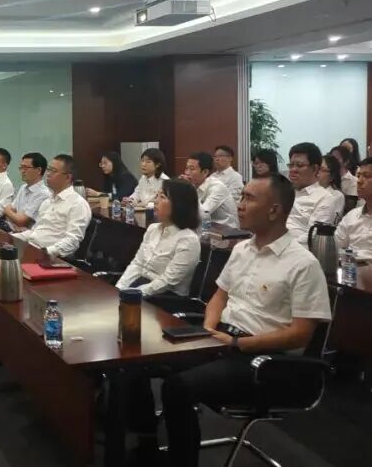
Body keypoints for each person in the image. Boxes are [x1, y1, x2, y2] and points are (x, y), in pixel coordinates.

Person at [154, 174, 332, 467]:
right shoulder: (241, 249)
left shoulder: (303, 264)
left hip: (266, 360)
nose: (239, 205)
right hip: (222, 338)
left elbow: (300, 334)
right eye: (241, 197)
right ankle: (145, 439)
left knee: (179, 387)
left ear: (274, 211)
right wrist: (209, 329)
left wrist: (238, 343)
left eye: (248, 198)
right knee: (146, 360)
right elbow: (219, 297)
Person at [116, 180, 201, 296]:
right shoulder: (153, 229)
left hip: (164, 297)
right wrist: (119, 288)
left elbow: (168, 281)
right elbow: (137, 264)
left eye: (162, 197)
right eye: (156, 196)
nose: (155, 201)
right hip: (139, 287)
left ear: (179, 204)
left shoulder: (188, 240)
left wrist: (133, 294)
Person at [13, 154, 91, 258]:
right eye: (48, 170)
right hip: (32, 248)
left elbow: (73, 241)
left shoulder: (78, 204)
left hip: (51, 257)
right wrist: (11, 238)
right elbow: (36, 232)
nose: (48, 174)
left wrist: (47, 252)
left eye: (53, 171)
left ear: (68, 177)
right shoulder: (47, 201)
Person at [285, 143, 338, 243]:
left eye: (299, 165)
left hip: (295, 248)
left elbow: (313, 235)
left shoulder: (325, 198)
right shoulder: (283, 192)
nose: (293, 170)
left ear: (315, 169)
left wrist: (281, 245)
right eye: (291, 165)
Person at [183, 152, 239, 228]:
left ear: (205, 172)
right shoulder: (195, 185)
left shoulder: (217, 187)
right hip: (207, 228)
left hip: (227, 230)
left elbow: (202, 215)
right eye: (186, 168)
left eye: (192, 169)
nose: (187, 173)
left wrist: (189, 189)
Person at [2, 152, 50, 232]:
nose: (22, 171)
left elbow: (21, 221)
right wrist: (12, 214)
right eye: (21, 168)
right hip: (11, 230)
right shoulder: (23, 188)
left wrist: (11, 213)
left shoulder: (43, 194)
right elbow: (9, 209)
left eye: (25, 168)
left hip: (26, 237)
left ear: (38, 170)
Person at [317, 155, 347, 224]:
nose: (317, 172)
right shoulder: (305, 190)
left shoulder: (336, 195)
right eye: (316, 168)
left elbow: (323, 224)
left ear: (332, 176)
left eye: (321, 169)